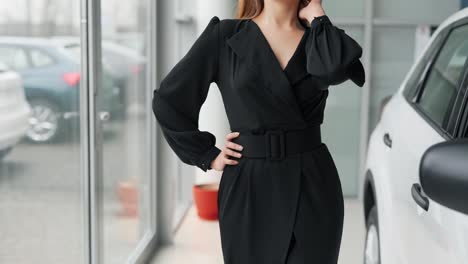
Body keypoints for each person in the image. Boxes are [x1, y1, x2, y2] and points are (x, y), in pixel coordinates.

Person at [152, 0, 365, 263]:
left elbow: (335, 69)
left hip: (311, 184)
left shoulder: (319, 40)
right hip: (249, 187)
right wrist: (208, 155)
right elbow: (169, 101)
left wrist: (317, 15)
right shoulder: (226, 36)